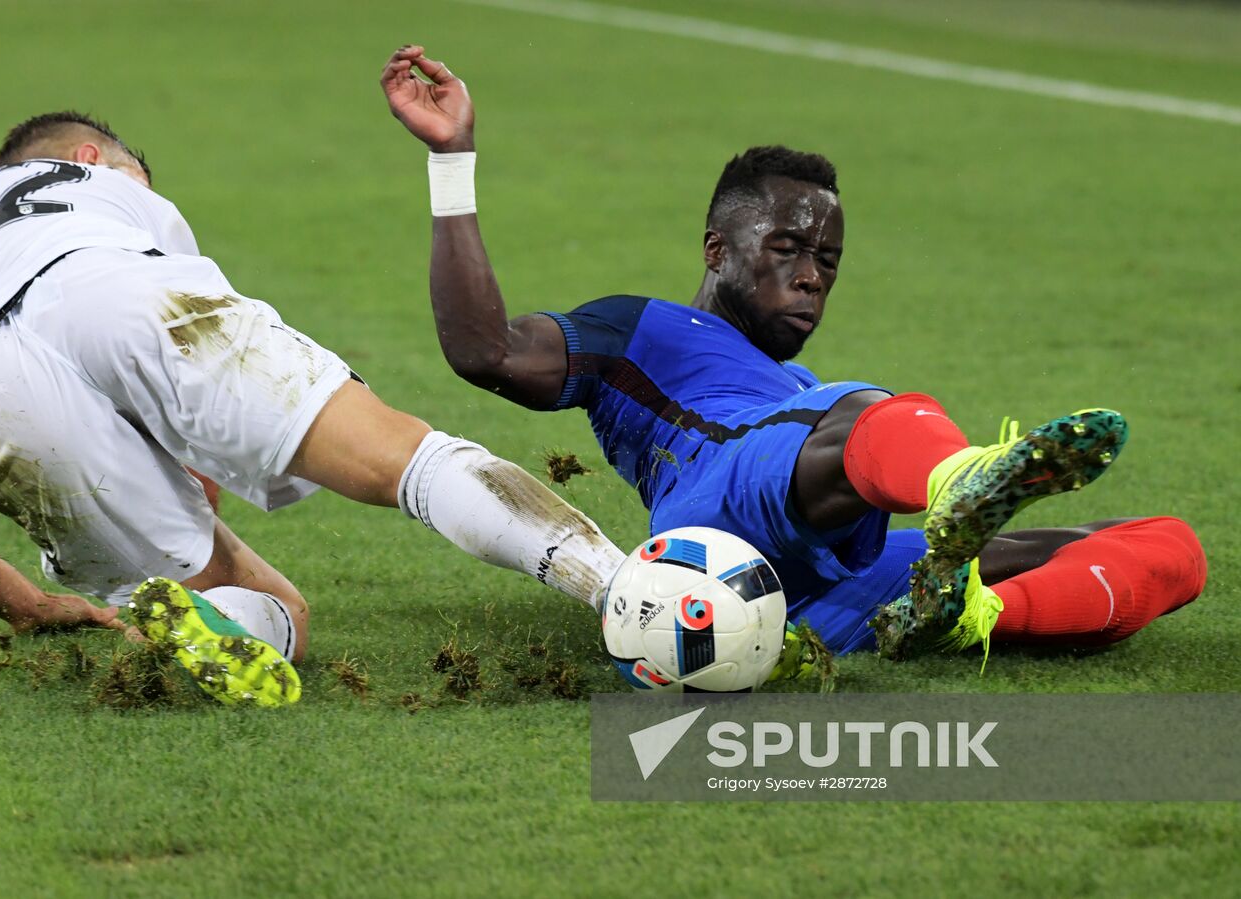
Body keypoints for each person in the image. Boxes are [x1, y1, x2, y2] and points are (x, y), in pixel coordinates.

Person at [380, 46, 1206, 670]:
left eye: (828, 261)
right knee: (861, 410)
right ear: (716, 249)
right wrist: (452, 161)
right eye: (786, 247)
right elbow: (482, 351)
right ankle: (957, 480)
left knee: (1168, 546)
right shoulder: (643, 330)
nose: (811, 274)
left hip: (813, 585)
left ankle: (967, 614)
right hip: (719, 505)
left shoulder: (794, 389)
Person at [0, 111, 627, 706]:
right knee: (404, 456)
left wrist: (25, 602)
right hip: (121, 290)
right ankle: (622, 587)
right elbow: (187, 422)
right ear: (91, 161)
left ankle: (222, 620)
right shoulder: (113, 197)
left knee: (268, 606)